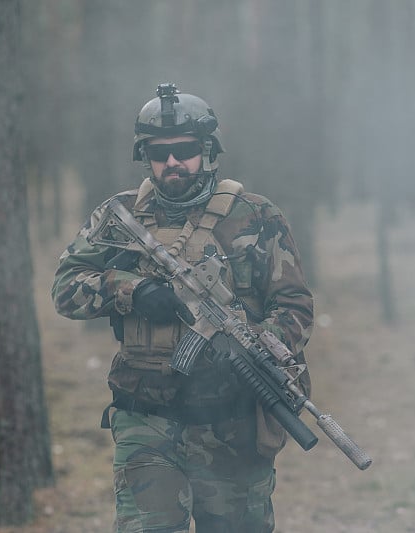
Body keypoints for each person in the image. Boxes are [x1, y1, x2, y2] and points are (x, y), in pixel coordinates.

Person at [52, 83, 314, 533]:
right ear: (146, 157)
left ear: (208, 151)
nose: (173, 162)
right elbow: (65, 289)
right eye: (160, 153)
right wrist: (131, 290)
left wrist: (260, 346)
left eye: (186, 150)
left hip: (231, 426)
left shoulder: (256, 216)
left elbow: (294, 305)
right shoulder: (118, 216)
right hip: (146, 421)